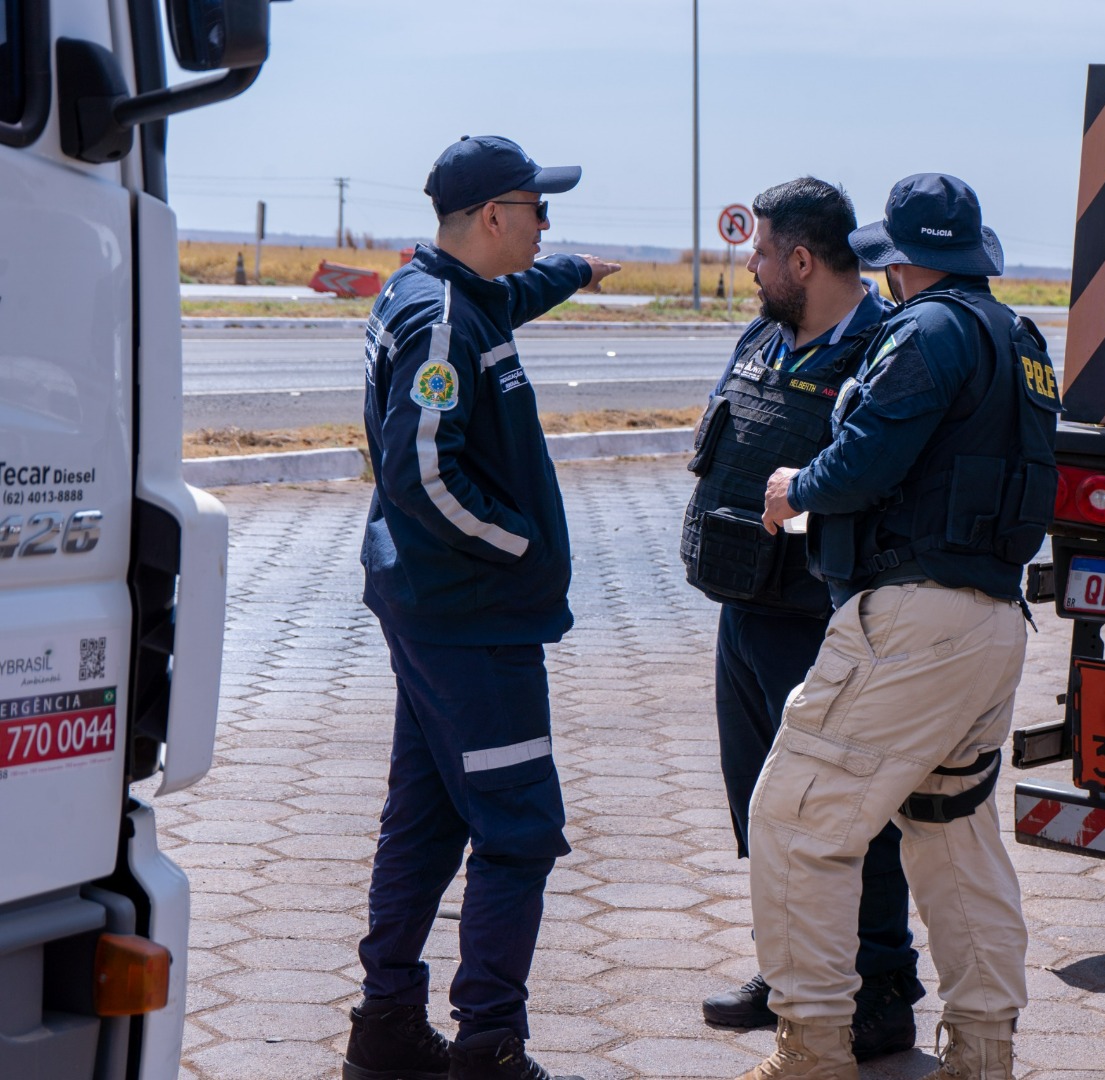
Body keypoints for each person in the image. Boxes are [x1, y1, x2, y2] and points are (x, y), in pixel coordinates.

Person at [740, 173, 1060, 1080]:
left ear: (902, 260)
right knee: (951, 832)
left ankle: (812, 1049)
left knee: (798, 820)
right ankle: (983, 1054)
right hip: (993, 622)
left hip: (912, 621)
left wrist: (794, 488)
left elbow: (868, 459)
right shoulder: (1020, 337)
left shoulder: (924, 332)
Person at [342, 135, 620, 1080]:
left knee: (424, 820)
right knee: (518, 828)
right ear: (495, 216)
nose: (550, 222)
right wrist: (522, 547)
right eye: (540, 209)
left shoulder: (446, 290)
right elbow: (423, 473)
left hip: (434, 612)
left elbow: (517, 294)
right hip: (473, 618)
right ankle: (489, 1046)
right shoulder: (440, 322)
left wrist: (578, 269)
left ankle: (384, 1029)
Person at [679, 178, 922, 1059]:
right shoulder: (767, 333)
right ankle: (790, 975)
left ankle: (882, 985)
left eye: (762, 250)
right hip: (742, 613)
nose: (749, 262)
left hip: (823, 623)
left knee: (848, 813)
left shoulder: (881, 351)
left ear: (804, 259)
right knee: (764, 808)